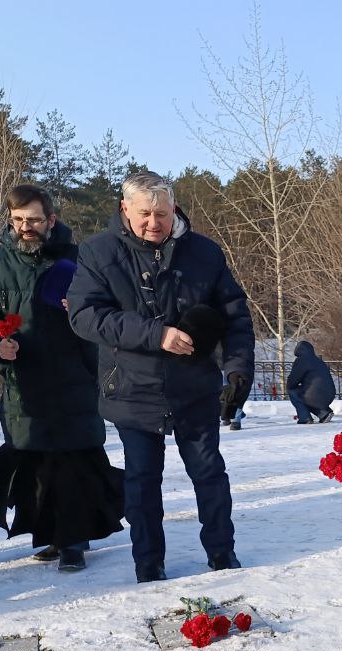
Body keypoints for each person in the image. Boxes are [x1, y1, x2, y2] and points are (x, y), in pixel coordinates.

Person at [70, 171, 255, 583]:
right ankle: (148, 563)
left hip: (194, 387)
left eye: (163, 214)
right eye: (145, 214)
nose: (154, 223)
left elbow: (234, 316)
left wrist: (238, 368)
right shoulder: (98, 252)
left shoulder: (204, 253)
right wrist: (158, 335)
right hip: (132, 389)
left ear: (175, 210)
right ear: (125, 210)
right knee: (142, 481)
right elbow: (84, 316)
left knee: (209, 473)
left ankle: (223, 554)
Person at [0, 184, 123, 573]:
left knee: (74, 461)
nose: (26, 227)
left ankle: (73, 540)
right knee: (37, 465)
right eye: (18, 220)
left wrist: (82, 309)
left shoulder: (80, 259)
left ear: (50, 220)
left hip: (74, 375)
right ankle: (51, 534)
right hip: (25, 382)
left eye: (33, 219)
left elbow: (107, 304)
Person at [286, 339, 336, 423]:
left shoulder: (302, 360)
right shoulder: (319, 361)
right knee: (308, 396)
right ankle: (324, 413)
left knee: (294, 392)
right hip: (330, 395)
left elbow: (293, 380)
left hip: (314, 395)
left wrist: (289, 386)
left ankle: (305, 418)